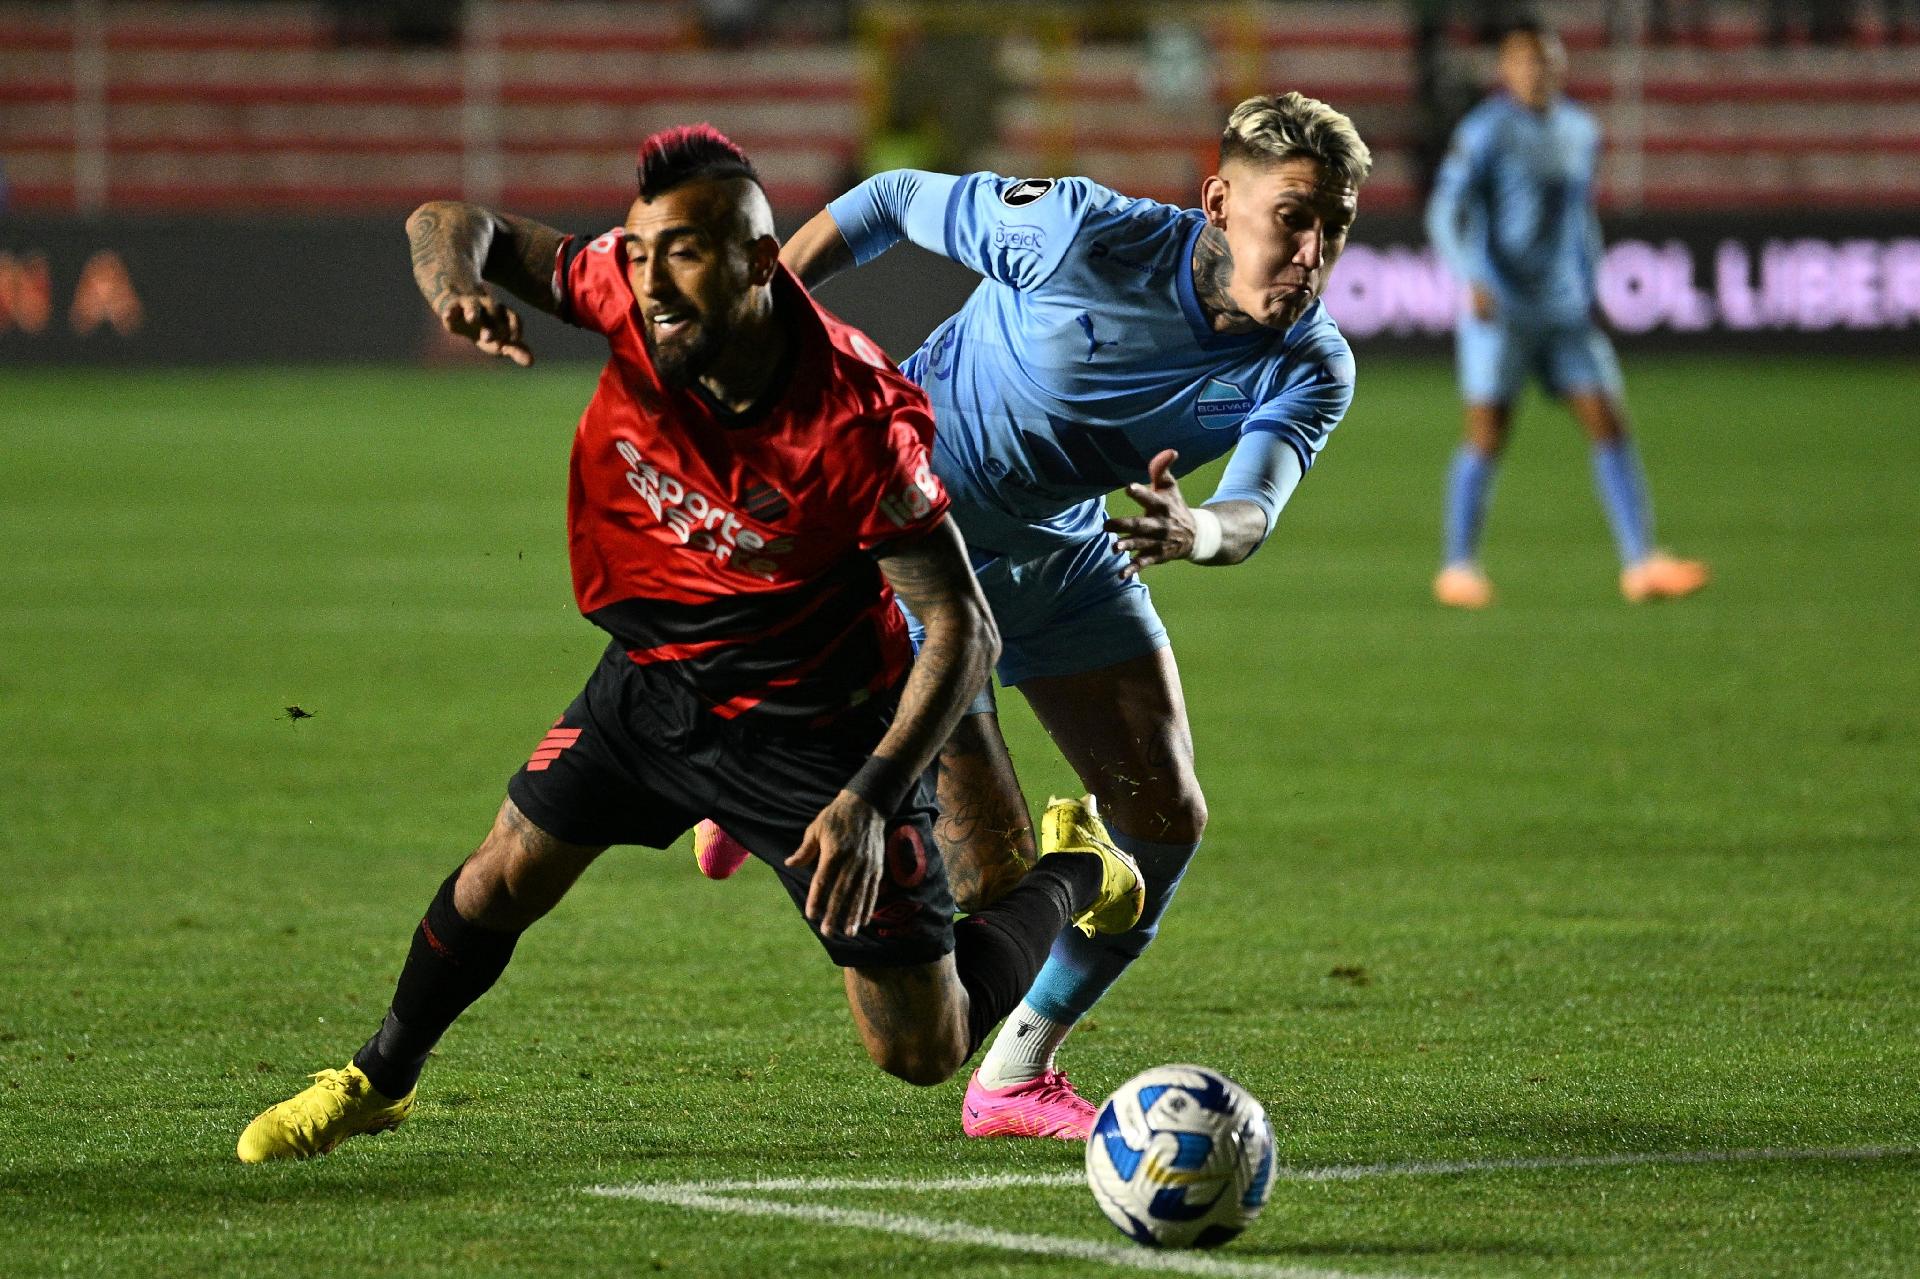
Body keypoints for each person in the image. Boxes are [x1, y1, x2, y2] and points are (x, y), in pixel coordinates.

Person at [235, 126, 1143, 1162]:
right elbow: (449, 223)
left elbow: (962, 626)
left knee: (920, 1048)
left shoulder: (854, 419)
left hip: (821, 734)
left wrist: (871, 796)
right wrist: (453, 288)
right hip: (657, 680)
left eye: (684, 255)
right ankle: (377, 1076)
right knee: (499, 876)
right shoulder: (632, 291)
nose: (651, 283)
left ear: (761, 262)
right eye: (637, 252)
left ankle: (1077, 864)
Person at [700, 92, 1371, 1141]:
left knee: (1166, 816)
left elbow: (1253, 508)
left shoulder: (1310, 362)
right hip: (911, 533)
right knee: (1005, 886)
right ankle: (770, 743)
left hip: (1059, 548)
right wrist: (764, 317)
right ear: (1219, 203)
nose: (1314, 250)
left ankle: (1014, 1074)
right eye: (1293, 216)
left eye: (1335, 224)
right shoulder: (1075, 234)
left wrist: (1198, 533)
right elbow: (890, 200)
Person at [1426, 20, 1708, 609]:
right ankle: (1458, 566)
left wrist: (1592, 284)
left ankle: (1641, 562)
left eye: (1545, 63)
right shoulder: (1485, 132)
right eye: (1524, 63)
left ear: (1559, 68)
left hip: (1563, 308)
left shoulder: (1581, 129)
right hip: (1500, 309)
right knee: (1487, 435)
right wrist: (1469, 276)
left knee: (1608, 420)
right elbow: (1443, 211)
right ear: (1506, 71)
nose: (1535, 73)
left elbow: (1581, 218)